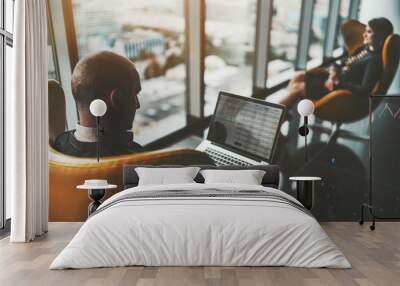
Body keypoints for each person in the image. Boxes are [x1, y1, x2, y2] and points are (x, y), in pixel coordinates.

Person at [278, 17, 394, 107]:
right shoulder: (364, 49)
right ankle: (284, 114)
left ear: (380, 36)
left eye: (369, 32)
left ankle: (277, 120)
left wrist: (337, 82)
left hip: (339, 92)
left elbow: (364, 90)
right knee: (298, 76)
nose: (364, 34)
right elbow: (341, 62)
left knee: (298, 88)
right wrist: (333, 73)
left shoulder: (374, 61)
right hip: (333, 80)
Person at [53, 51, 144, 157]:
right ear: (116, 99)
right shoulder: (142, 161)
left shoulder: (58, 145)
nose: (137, 105)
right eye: (134, 94)